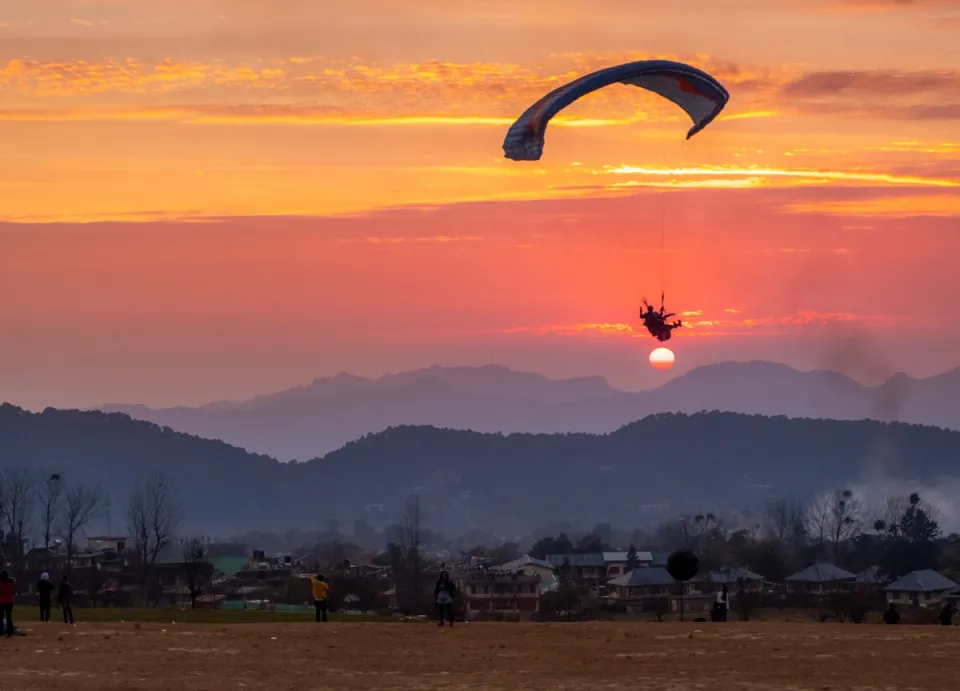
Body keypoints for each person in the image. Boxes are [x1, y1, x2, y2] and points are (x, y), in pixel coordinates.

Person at [0, 570, 15, 637]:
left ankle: (1, 631)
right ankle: (10, 631)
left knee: (1, 617)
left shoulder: (1, 583)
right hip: (10, 601)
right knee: (9, 617)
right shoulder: (11, 582)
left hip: (2, 601)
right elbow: (13, 591)